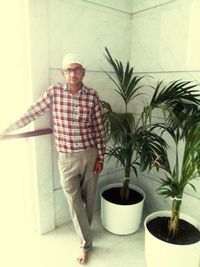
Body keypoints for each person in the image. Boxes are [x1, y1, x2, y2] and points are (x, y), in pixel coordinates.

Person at [0, 53, 106, 264]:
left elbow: (100, 129)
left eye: (77, 69)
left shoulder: (92, 95)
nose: (73, 74)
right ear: (62, 73)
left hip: (89, 154)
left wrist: (100, 157)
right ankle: (86, 242)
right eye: (68, 70)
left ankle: (84, 239)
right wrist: (6, 129)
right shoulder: (54, 92)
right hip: (66, 159)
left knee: (89, 197)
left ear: (83, 72)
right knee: (74, 201)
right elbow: (32, 113)